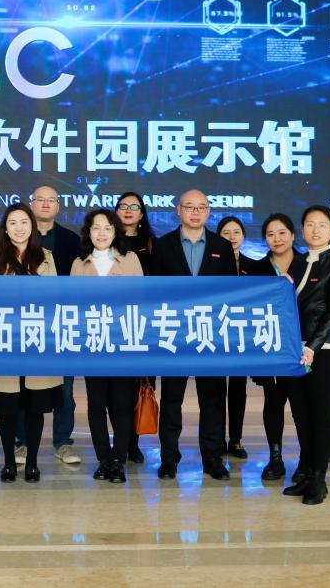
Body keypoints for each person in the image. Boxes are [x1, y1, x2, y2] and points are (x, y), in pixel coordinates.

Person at [151, 190, 237, 481]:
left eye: (202, 207)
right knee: (171, 400)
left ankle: (213, 459)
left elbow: (231, 292)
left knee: (213, 400)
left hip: (210, 335)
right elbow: (154, 292)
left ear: (209, 211)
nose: (196, 212)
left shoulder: (221, 246)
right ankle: (168, 458)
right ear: (179, 210)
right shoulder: (163, 245)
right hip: (173, 335)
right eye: (190, 207)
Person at [0, 203, 62, 483]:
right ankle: (9, 463)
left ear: (32, 226)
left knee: (35, 406)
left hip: (37, 341)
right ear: (5, 229)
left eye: (24, 222)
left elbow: (52, 298)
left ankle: (32, 463)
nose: (19, 228)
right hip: (5, 341)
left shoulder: (46, 257)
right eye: (13, 223)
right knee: (7, 407)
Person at [282, 206, 330, 505]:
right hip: (294, 350)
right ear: (302, 230)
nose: (315, 230)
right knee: (300, 414)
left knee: (319, 414)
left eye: (322, 225)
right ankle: (308, 473)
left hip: (321, 351)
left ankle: (320, 480)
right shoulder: (298, 262)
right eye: (310, 224)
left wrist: (312, 346)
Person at [70, 209, 144, 485]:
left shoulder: (130, 259)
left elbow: (141, 300)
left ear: (116, 232)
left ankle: (118, 460)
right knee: (96, 405)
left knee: (122, 405)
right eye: (96, 228)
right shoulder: (79, 264)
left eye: (107, 228)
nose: (101, 233)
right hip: (92, 345)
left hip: (124, 344)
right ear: (88, 232)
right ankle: (103, 460)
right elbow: (72, 305)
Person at [24, 185, 81, 467]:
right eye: (40, 200)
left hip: (62, 322)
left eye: (51, 200)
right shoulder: (19, 236)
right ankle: (22, 443)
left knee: (65, 390)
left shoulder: (72, 240)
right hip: (26, 322)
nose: (45, 204)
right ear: (31, 204)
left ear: (58, 206)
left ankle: (63, 442)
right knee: (24, 384)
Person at [248, 213, 307, 481]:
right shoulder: (257, 269)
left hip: (301, 347)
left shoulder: (307, 265)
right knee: (273, 402)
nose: (277, 238)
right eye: (270, 234)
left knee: (301, 405)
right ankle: (275, 458)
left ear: (293, 235)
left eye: (282, 232)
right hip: (269, 347)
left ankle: (306, 460)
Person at [114, 191, 157, 464]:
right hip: (114, 324)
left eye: (134, 206)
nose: (128, 210)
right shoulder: (106, 241)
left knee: (142, 384)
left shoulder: (153, 244)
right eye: (123, 206)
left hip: (145, 324)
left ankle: (133, 443)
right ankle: (120, 440)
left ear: (142, 214)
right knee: (118, 388)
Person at [216, 215, 257, 460]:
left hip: (241, 334)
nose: (231, 237)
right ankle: (217, 439)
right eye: (226, 233)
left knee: (238, 389)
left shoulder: (254, 265)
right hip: (216, 334)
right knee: (216, 390)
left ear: (243, 236)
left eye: (236, 232)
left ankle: (236, 440)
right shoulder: (211, 264)